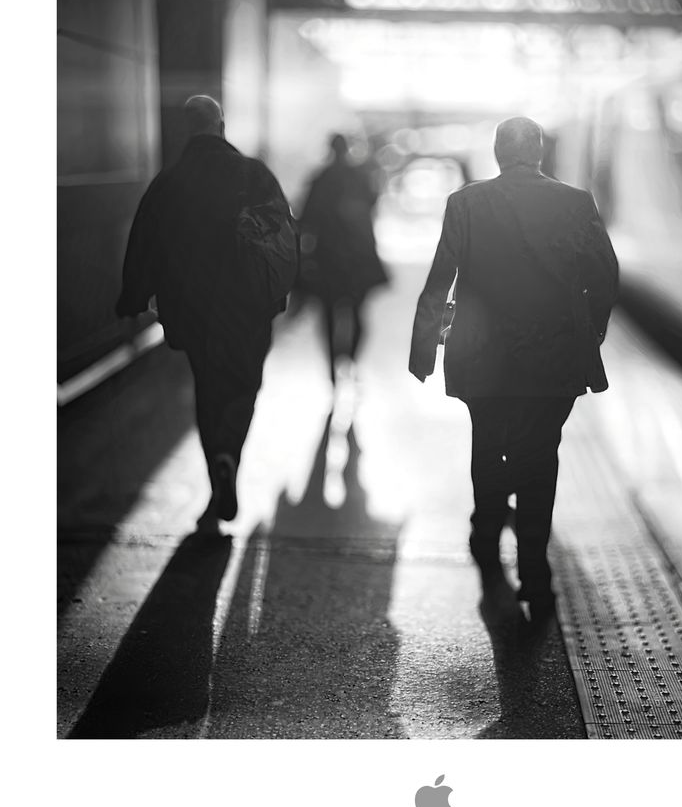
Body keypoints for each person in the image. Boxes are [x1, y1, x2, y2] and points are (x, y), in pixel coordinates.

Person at [409, 117, 619, 622]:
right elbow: (605, 276)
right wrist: (590, 332)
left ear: (498, 152)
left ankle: (485, 532)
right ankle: (534, 572)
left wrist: (423, 352)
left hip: (484, 354)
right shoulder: (575, 203)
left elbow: (441, 277)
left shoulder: (465, 203)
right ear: (539, 152)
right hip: (554, 357)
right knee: (539, 458)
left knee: (488, 442)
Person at [116, 95, 298, 533]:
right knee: (244, 384)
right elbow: (283, 233)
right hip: (248, 304)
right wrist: (284, 289)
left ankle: (216, 465)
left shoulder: (169, 181)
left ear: (188, 128)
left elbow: (144, 241)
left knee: (207, 385)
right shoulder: (253, 174)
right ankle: (229, 454)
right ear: (220, 125)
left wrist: (133, 297)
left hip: (191, 307)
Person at [299, 133, 388, 383]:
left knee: (328, 316)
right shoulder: (359, 178)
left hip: (327, 260)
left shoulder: (321, 179)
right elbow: (372, 205)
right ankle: (350, 361)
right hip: (358, 260)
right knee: (357, 314)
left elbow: (307, 220)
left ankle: (334, 368)